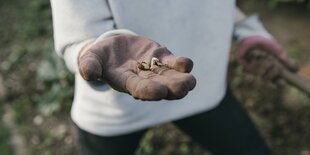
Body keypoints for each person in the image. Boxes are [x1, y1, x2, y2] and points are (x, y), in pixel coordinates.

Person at [50, 1, 297, 155]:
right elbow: (78, 37)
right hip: (117, 108)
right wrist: (96, 52)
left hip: (204, 89)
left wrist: (246, 30)